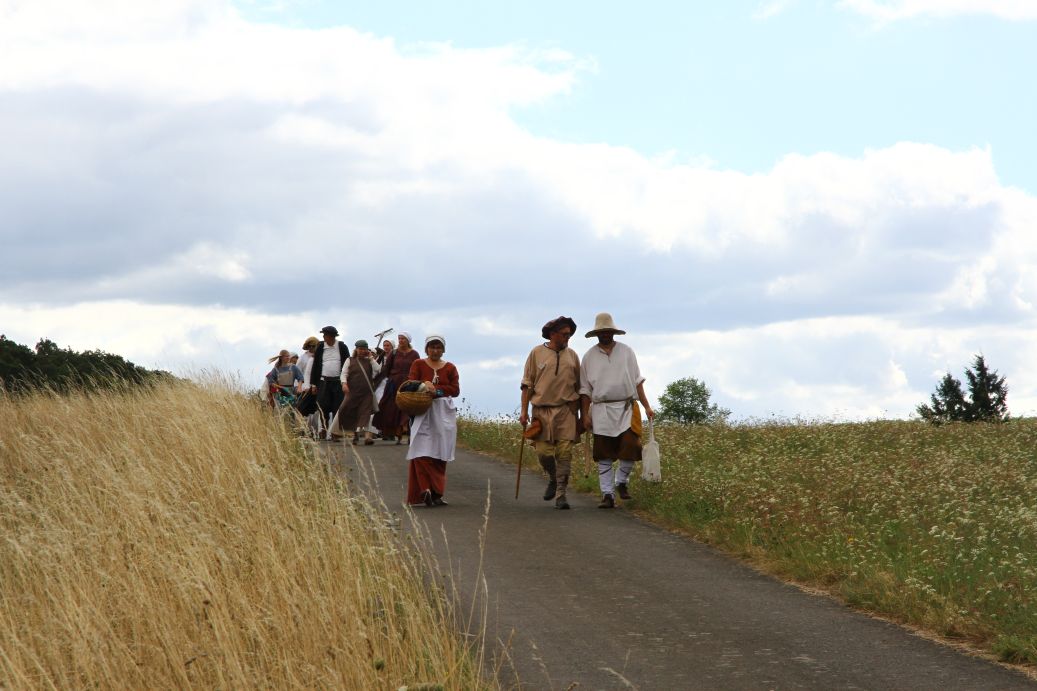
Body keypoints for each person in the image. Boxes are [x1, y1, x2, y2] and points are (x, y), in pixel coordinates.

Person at [579, 313, 655, 508]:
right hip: (601, 409)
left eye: (608, 331)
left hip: (626, 407)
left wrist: (647, 406)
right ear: (597, 334)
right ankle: (607, 495)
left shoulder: (626, 352)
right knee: (604, 453)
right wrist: (584, 415)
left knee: (631, 446)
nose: (605, 334)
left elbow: (637, 382)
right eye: (602, 332)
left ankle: (621, 482)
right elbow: (585, 391)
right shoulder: (588, 357)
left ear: (613, 332)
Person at [520, 316, 582, 510]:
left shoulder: (572, 356)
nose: (568, 337)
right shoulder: (536, 353)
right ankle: (554, 478)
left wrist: (583, 414)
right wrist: (523, 411)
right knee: (544, 453)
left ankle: (561, 494)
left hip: (566, 410)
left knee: (564, 453)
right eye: (564, 334)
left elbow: (580, 387)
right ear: (552, 334)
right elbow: (527, 384)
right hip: (542, 411)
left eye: (569, 334)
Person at [405, 335, 460, 506]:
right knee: (420, 449)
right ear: (426, 349)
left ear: (443, 350)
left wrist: (437, 390)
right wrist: (424, 385)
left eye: (438, 347)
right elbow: (410, 383)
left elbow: (455, 390)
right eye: (432, 347)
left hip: (443, 412)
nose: (435, 351)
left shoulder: (450, 367)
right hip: (423, 410)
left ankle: (436, 493)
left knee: (440, 451)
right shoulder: (418, 364)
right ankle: (425, 489)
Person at [330, 340, 382, 445]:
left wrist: (371, 358)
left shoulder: (369, 361)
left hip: (366, 393)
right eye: (360, 349)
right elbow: (344, 373)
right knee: (345, 410)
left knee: (364, 413)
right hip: (352, 392)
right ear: (356, 349)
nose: (362, 351)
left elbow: (378, 370)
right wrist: (344, 384)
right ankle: (336, 432)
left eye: (364, 349)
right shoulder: (350, 360)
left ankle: (360, 435)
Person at [375, 331, 420, 445]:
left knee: (408, 408)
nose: (400, 341)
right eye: (399, 338)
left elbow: (418, 368)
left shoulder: (414, 354)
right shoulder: (394, 353)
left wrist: (417, 383)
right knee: (392, 408)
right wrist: (384, 380)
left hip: (408, 384)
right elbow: (387, 368)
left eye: (403, 338)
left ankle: (408, 432)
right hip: (394, 384)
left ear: (408, 340)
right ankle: (397, 434)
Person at [306, 326, 349, 440]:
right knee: (322, 406)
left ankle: (335, 432)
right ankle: (324, 429)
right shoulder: (320, 347)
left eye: (325, 335)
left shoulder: (342, 347)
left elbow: (347, 364)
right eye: (324, 335)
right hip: (323, 382)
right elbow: (316, 366)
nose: (324, 337)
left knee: (337, 406)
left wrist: (346, 381)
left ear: (332, 336)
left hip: (338, 381)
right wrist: (313, 384)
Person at [366, 338, 394, 439]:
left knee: (389, 408)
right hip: (381, 384)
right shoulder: (380, 357)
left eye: (388, 345)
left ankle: (388, 432)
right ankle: (372, 432)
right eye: (384, 345)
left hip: (392, 383)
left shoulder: (395, 356)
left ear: (392, 347)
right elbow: (376, 370)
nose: (386, 347)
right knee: (377, 406)